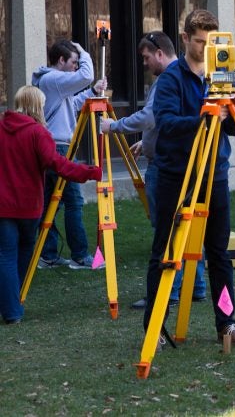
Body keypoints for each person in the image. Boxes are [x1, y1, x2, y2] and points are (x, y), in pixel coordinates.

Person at [144, 9, 235, 346]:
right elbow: (167, 125)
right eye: (200, 41)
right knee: (164, 252)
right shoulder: (170, 79)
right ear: (186, 38)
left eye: (211, 42)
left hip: (214, 174)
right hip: (176, 175)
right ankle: (154, 327)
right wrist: (204, 117)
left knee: (219, 254)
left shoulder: (223, 74)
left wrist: (231, 108)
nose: (205, 48)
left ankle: (227, 323)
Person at [99, 31, 206, 308]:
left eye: (146, 57)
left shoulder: (168, 79)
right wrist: (146, 144)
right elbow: (163, 122)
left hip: (166, 167)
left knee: (167, 229)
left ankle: (167, 291)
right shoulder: (179, 77)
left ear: (160, 52)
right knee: (185, 225)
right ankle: (196, 285)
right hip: (173, 160)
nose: (145, 63)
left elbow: (152, 116)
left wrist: (115, 126)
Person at [0, 86, 102, 324]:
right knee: (22, 252)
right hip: (28, 206)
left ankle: (10, 303)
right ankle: (12, 306)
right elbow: (58, 164)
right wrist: (89, 172)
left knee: (6, 254)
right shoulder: (38, 133)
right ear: (37, 105)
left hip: (4, 206)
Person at [31, 39, 107, 270]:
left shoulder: (51, 83)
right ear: (61, 60)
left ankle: (48, 253)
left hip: (53, 145)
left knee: (48, 203)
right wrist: (84, 51)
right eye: (73, 61)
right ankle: (80, 255)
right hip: (59, 147)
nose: (76, 65)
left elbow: (71, 104)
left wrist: (93, 92)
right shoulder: (52, 79)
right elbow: (85, 76)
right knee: (73, 201)